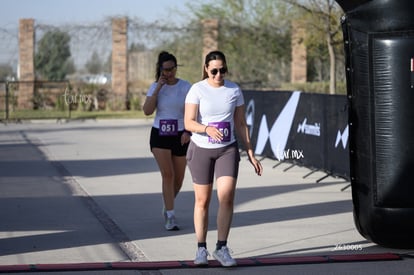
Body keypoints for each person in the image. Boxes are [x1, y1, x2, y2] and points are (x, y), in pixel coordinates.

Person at [184, 50, 263, 267]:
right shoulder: (196, 90)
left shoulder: (234, 90)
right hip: (201, 149)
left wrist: (251, 154)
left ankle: (221, 247)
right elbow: (188, 123)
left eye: (223, 70)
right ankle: (201, 248)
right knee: (203, 201)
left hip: (227, 150)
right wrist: (206, 128)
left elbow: (240, 124)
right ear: (206, 70)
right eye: (214, 71)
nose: (219, 75)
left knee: (226, 197)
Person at [143, 51, 192, 231]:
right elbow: (147, 111)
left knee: (178, 180)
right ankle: (170, 216)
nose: (169, 73)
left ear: (176, 68)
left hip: (181, 135)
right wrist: (157, 88)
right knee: (168, 175)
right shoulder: (155, 87)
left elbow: (193, 112)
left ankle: (167, 204)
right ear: (160, 70)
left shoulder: (186, 86)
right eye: (165, 70)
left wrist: (188, 131)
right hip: (160, 135)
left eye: (172, 69)